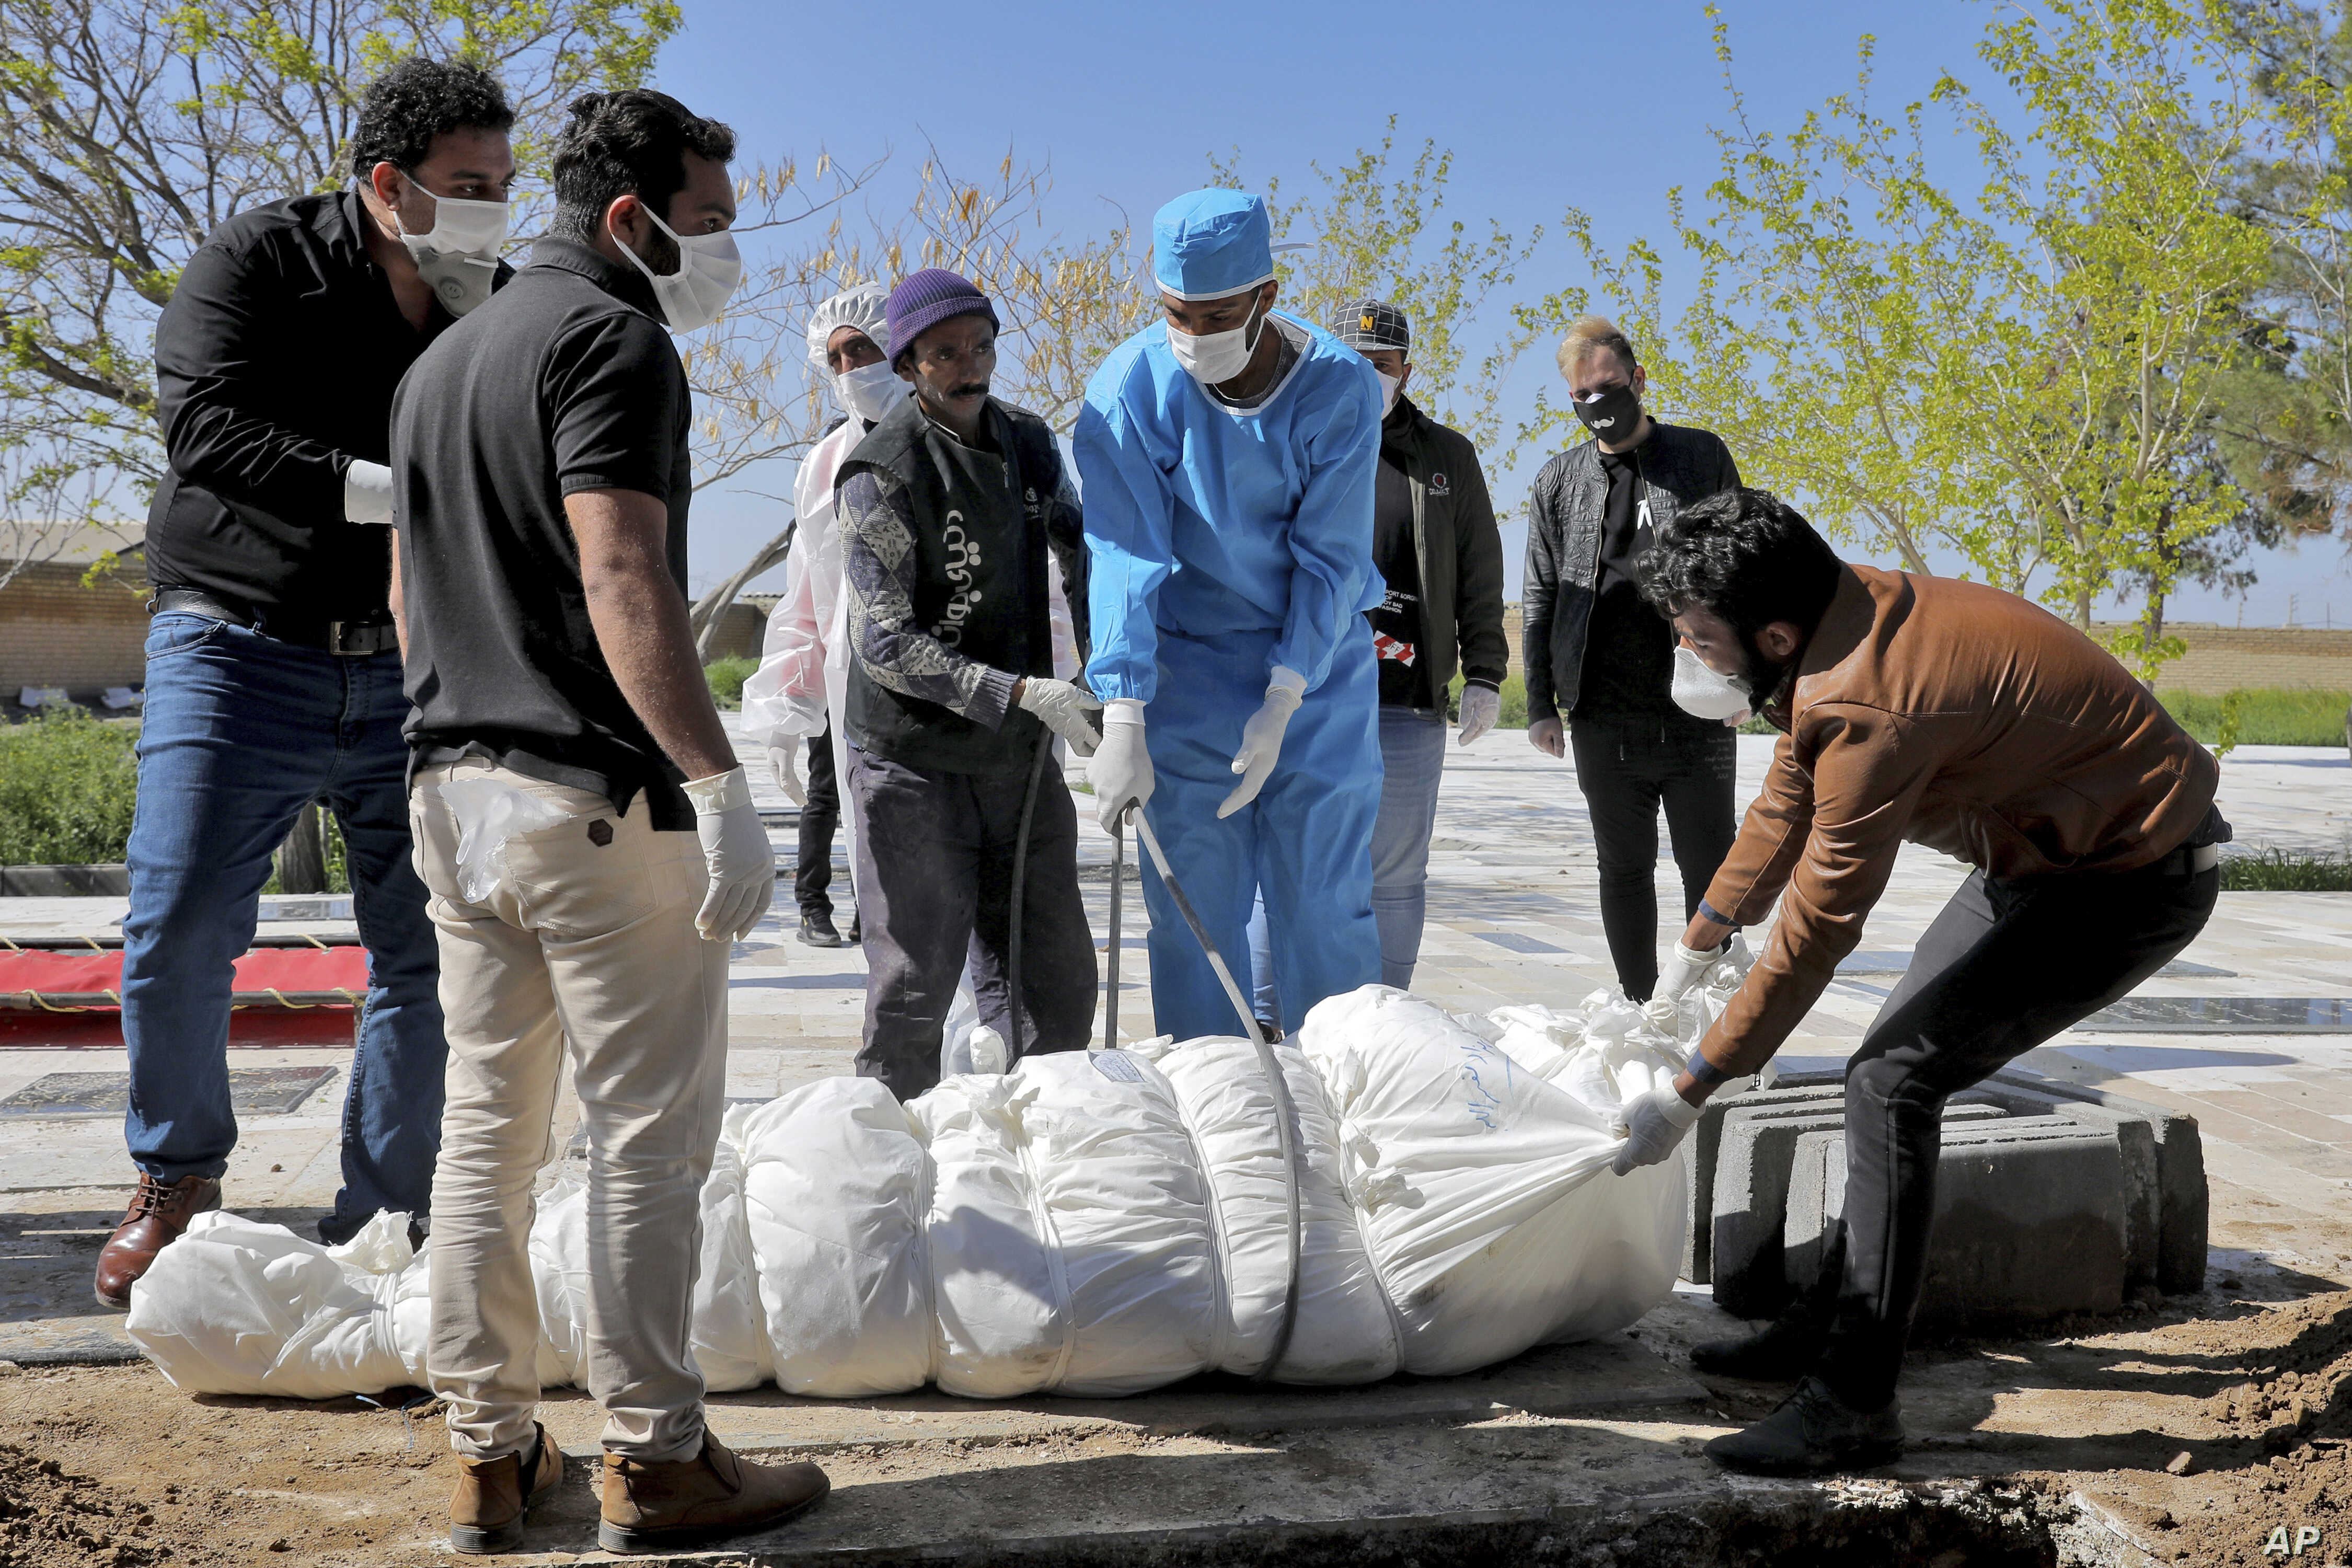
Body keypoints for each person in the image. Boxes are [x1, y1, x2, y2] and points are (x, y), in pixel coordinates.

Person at [389, 88, 826, 1555]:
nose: (723, 257)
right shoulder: (611, 338)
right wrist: (715, 782)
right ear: (630, 221)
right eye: (705, 227)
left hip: (452, 797)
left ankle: (485, 1461)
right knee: (646, 1141)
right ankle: (657, 1459)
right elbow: (623, 576)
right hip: (588, 806)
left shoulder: (441, 362)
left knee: (483, 1138)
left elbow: (405, 600)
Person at [1607, 487, 2229, 1476]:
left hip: (2132, 877)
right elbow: (1786, 800)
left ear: (1771, 632)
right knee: (1880, 1081)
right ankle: (1828, 1327)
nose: (1691, 658)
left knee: (1890, 1084)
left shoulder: (1866, 701)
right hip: (2039, 860)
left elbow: (1818, 931)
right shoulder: (1840, 619)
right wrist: (1705, 936)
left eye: (1698, 639)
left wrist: (1694, 1087)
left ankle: (1853, 1404)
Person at [96, 57, 517, 1310]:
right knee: (177, 931)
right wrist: (388, 489)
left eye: (504, 182)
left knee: (426, 951)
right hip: (237, 647)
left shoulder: (485, 300)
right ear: (388, 186)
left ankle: (385, 1213)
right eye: (465, 186)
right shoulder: (256, 262)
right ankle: (175, 1178)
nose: (492, 208)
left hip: (411, 662)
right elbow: (207, 430)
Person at [1076, 189, 1383, 1042]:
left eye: (1217, 315)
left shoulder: (1338, 386)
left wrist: (1287, 696)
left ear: (1267, 297)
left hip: (1318, 678)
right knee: (1195, 925)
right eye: (1177, 313)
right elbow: (1124, 553)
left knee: (1326, 912)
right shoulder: (1129, 389)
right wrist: (1126, 713)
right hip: (1187, 675)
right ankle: (1217, 1113)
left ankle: (1343, 1108)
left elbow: (1331, 556)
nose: (1194, 336)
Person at [837, 268, 1101, 1100]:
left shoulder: (1028, 443)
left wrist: (1102, 673)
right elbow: (882, 641)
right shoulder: (881, 470)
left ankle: (1045, 1158)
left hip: (1017, 764)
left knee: (1055, 983)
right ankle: (895, 1163)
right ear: (910, 364)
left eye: (980, 346)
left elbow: (1084, 549)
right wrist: (1019, 693)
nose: (968, 365)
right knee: (915, 986)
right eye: (946, 353)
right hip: (912, 762)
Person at [1521, 316, 1746, 1002]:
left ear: (1638, 380)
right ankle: (1643, 1008)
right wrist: (1539, 703)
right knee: (1622, 869)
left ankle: (1712, 1016)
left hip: (1696, 711)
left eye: (1610, 387)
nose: (1599, 403)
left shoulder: (1700, 456)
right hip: (1601, 713)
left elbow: (1744, 565)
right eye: (1583, 395)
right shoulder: (1558, 481)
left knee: (1712, 871)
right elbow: (1539, 593)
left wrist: (1748, 680)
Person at [740, 282, 898, 948]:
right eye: (833, 358)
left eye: (861, 350)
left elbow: (1042, 584)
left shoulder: (976, 436)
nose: (848, 370)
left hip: (955, 690)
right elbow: (807, 594)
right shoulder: (824, 464)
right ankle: (832, 911)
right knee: (844, 810)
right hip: (852, 686)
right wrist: (783, 704)